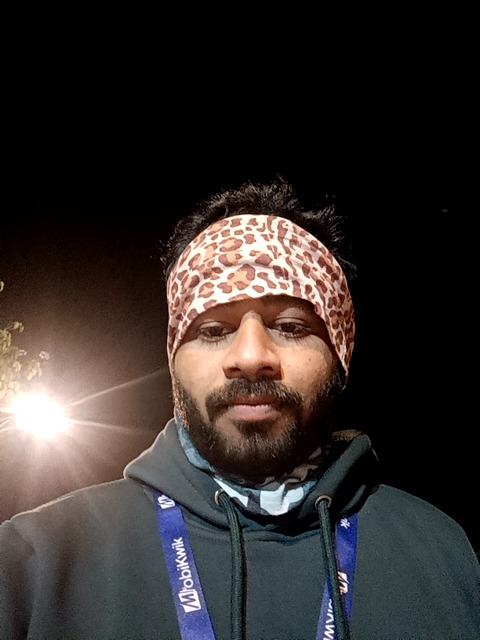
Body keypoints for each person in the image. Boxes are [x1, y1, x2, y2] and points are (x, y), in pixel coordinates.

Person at [0, 178, 478, 640]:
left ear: (340, 355)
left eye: (290, 326)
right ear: (173, 358)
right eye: (212, 330)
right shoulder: (32, 563)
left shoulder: (446, 554)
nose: (250, 357)